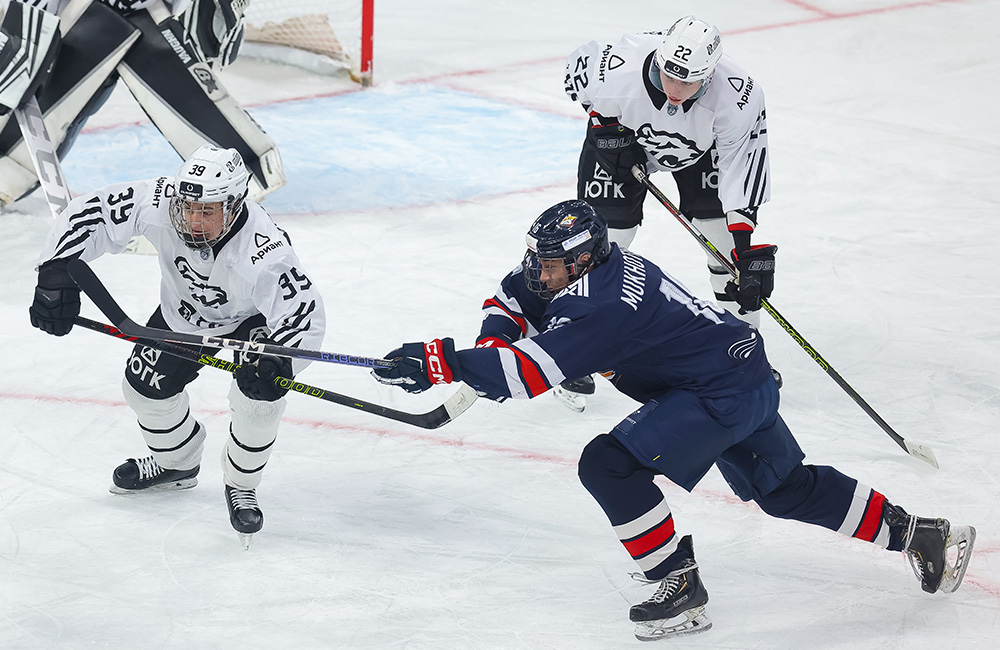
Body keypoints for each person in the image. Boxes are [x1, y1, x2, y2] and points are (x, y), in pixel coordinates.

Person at [371, 200, 975, 641]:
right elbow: (514, 299)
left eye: (553, 265)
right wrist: (487, 344)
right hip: (744, 376)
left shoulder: (600, 308)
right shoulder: (603, 268)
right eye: (540, 259)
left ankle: (676, 584)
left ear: (583, 262)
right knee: (784, 487)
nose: (540, 271)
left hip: (716, 393)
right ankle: (921, 534)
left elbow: (523, 377)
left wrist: (440, 362)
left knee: (607, 465)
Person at [29, 144, 325, 548]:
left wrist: (280, 363)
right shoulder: (162, 200)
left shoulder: (263, 250)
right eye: (188, 208)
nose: (193, 221)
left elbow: (301, 312)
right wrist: (57, 268)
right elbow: (93, 212)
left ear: (235, 204)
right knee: (144, 389)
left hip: (253, 320)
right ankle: (176, 463)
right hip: (184, 313)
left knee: (258, 402)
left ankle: (241, 485)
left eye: (207, 212)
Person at [558, 15, 775, 409]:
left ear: (709, 75)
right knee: (603, 241)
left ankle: (743, 350)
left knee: (723, 243)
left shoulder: (738, 96)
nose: (675, 90)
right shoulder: (617, 66)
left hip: (701, 150)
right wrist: (604, 129)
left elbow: (740, 169)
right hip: (625, 142)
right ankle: (568, 346)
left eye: (688, 81)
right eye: (667, 76)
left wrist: (743, 247)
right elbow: (577, 73)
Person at [0, 0, 284, 207]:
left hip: (144, 18)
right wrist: (23, 27)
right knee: (78, 39)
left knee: (142, 41)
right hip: (85, 17)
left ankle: (243, 173)